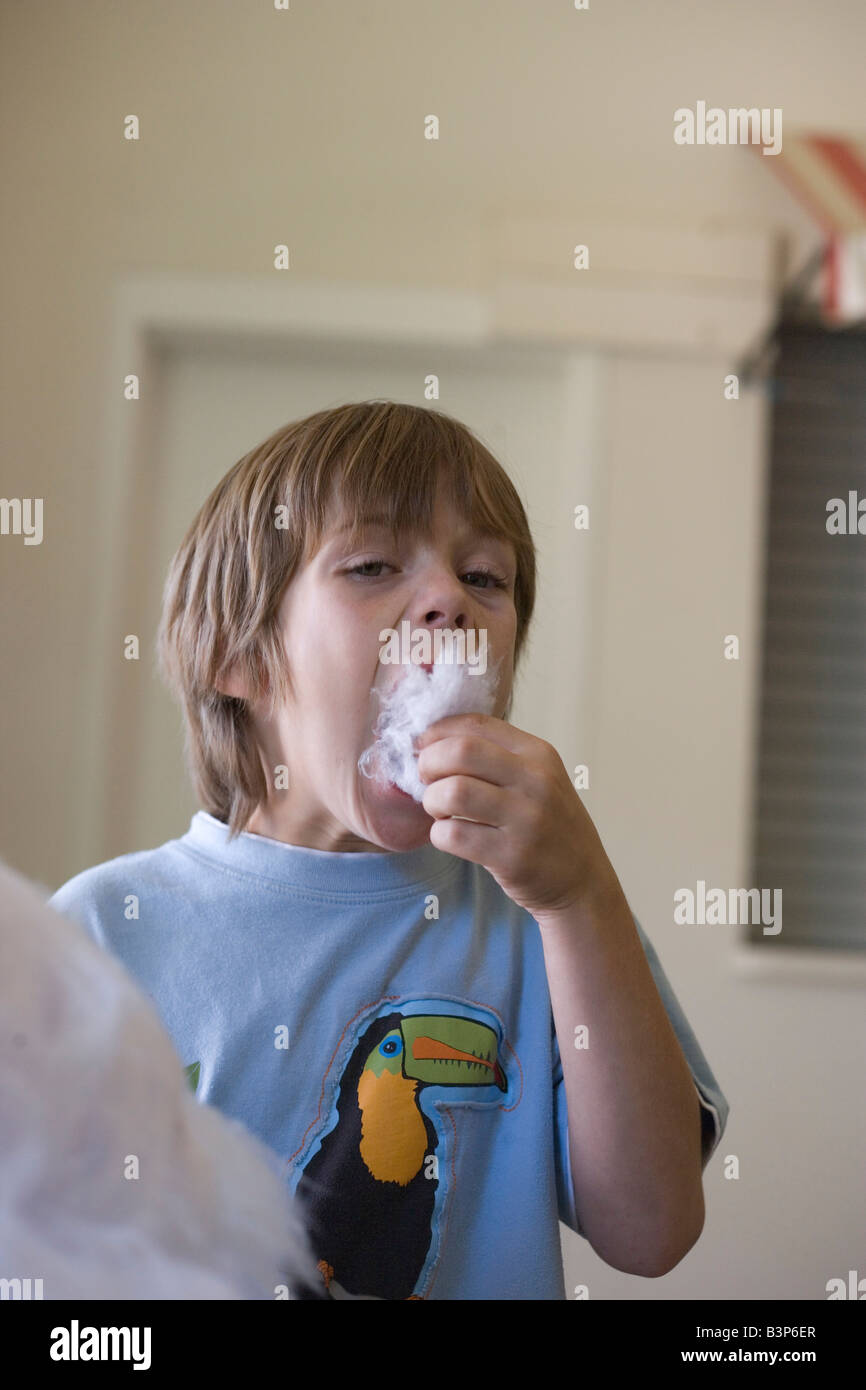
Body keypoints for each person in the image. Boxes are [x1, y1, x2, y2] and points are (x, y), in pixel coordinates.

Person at [49, 400, 729, 1300]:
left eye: (487, 578)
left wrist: (582, 898)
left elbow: (651, 1232)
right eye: (372, 565)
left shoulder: (551, 922)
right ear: (238, 654)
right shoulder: (99, 932)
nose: (450, 599)